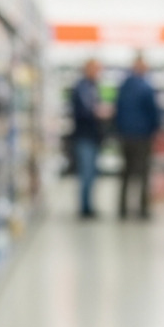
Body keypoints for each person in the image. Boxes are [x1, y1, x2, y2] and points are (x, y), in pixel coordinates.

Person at [114, 54, 161, 219]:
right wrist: (154, 130)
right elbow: (153, 114)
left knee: (126, 172)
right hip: (142, 136)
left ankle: (122, 209)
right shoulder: (147, 87)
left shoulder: (124, 86)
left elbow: (117, 110)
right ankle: (142, 209)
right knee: (142, 173)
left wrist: (119, 130)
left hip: (125, 135)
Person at [69, 59, 104, 219]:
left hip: (92, 136)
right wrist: (98, 113)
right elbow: (85, 111)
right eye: (96, 69)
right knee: (86, 174)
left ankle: (88, 206)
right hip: (84, 136)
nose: (98, 73)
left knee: (91, 174)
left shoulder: (92, 87)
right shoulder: (82, 87)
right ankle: (85, 208)